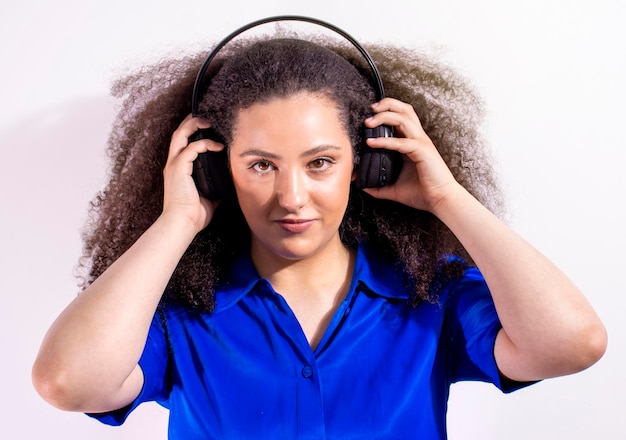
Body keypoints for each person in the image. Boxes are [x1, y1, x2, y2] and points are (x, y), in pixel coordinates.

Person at [32, 26, 607, 439]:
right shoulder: (180, 311)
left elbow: (573, 345)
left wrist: (445, 197)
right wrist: (177, 218)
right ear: (214, 168)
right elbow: (66, 384)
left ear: (368, 162)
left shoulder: (433, 293)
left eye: (320, 162)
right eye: (261, 164)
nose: (291, 196)